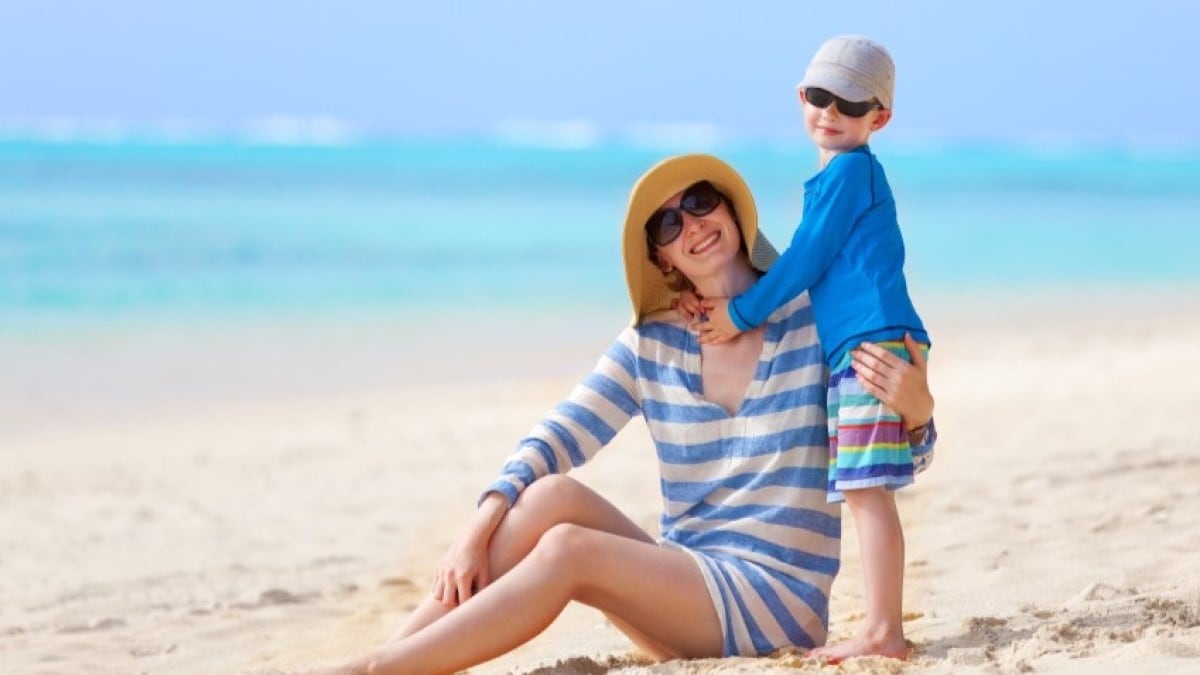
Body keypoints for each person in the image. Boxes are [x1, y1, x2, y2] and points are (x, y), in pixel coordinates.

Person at [296, 153, 935, 675]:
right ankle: (389, 655)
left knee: (570, 549)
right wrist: (480, 521)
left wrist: (918, 414)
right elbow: (559, 434)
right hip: (684, 588)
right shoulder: (652, 344)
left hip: (777, 604)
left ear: (733, 210)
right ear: (662, 259)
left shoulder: (813, 321)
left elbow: (877, 461)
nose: (690, 224)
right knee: (549, 495)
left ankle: (383, 673)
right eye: (667, 225)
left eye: (701, 201)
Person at [683, 35, 930, 662]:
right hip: (861, 344)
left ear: (880, 117)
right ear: (801, 96)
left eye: (849, 105)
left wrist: (739, 312)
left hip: (872, 344)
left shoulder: (851, 171)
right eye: (819, 97)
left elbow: (808, 257)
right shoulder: (834, 175)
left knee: (867, 491)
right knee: (862, 486)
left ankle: (883, 632)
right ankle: (882, 625)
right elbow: (807, 262)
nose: (830, 113)